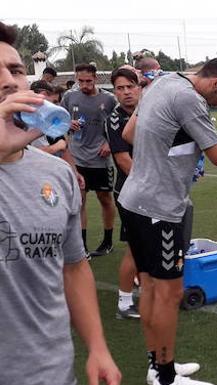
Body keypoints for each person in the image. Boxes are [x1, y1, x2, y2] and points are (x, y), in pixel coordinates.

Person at [0, 21, 121, 385]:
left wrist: (97, 346)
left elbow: (73, 267)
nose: (8, 80)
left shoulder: (57, 175)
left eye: (15, 69)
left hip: (52, 373)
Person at [118, 56, 217, 385]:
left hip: (134, 199)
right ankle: (165, 376)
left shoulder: (163, 82)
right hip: (160, 208)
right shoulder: (190, 98)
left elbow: (130, 133)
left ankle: (157, 364)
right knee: (169, 294)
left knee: (150, 288)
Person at [61, 63, 117, 256]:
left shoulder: (109, 99)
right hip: (77, 158)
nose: (84, 85)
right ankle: (82, 246)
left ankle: (107, 241)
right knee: (80, 201)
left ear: (96, 79)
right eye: (81, 81)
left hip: (100, 159)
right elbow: (59, 121)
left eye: (88, 81)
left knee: (105, 199)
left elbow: (116, 125)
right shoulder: (70, 96)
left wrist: (109, 144)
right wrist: (68, 123)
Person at [105, 67, 142, 320]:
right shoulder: (115, 120)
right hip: (131, 192)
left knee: (149, 245)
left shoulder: (150, 111)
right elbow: (122, 160)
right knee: (136, 247)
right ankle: (124, 303)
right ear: (115, 92)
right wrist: (155, 183)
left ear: (139, 87)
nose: (126, 92)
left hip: (153, 190)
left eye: (130, 86)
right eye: (120, 88)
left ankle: (149, 286)